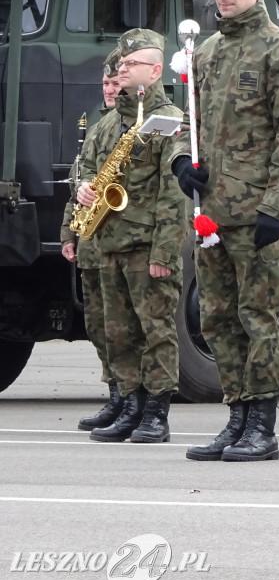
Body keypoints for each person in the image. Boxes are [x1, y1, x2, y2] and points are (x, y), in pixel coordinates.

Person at [173, 0, 279, 462]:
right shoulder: (205, 53)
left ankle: (264, 425)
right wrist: (182, 164)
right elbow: (191, 121)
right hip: (212, 215)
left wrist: (277, 207)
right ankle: (236, 418)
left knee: (261, 319)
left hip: (257, 214)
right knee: (217, 321)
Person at [78, 30, 187, 443]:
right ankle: (131, 403)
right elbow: (86, 168)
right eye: (120, 66)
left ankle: (156, 412)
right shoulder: (107, 124)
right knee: (118, 331)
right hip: (108, 243)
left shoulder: (170, 122)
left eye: (131, 65)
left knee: (155, 330)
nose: (122, 71)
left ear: (156, 71)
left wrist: (165, 251)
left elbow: (173, 194)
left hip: (146, 246)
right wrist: (86, 187)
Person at [64, 48, 121, 431]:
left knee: (124, 326)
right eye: (106, 83)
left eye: (117, 82)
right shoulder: (96, 124)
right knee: (99, 325)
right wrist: (69, 231)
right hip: (91, 239)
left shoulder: (144, 122)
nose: (111, 89)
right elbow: (77, 178)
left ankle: (138, 403)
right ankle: (116, 394)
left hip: (121, 239)